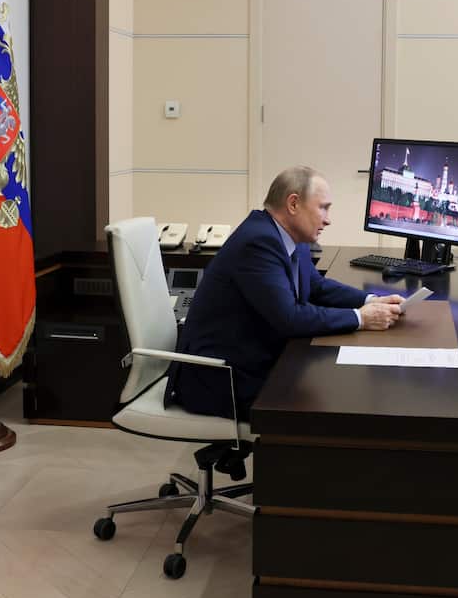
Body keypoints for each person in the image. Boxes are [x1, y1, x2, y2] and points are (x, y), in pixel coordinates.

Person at [166, 166, 404, 420]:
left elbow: (316, 286)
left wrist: (371, 300)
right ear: (293, 204)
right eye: (323, 208)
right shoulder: (257, 242)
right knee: (330, 408)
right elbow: (289, 318)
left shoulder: (289, 237)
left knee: (330, 390)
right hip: (220, 378)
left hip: (253, 359)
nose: (328, 219)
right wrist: (361, 318)